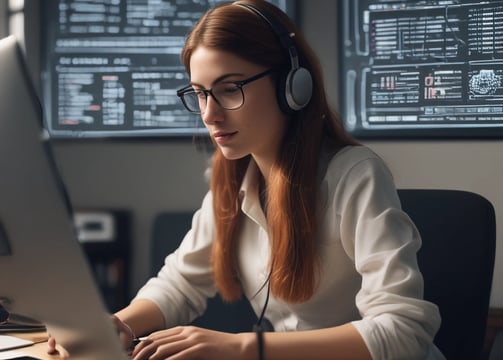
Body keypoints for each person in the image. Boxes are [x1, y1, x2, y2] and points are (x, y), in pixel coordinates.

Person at [49, 0, 445, 359]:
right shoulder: (233, 180)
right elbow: (179, 283)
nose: (209, 114)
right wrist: (118, 325)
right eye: (200, 93)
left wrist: (244, 348)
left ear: (293, 86)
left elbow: (403, 332)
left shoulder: (354, 174)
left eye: (229, 89)